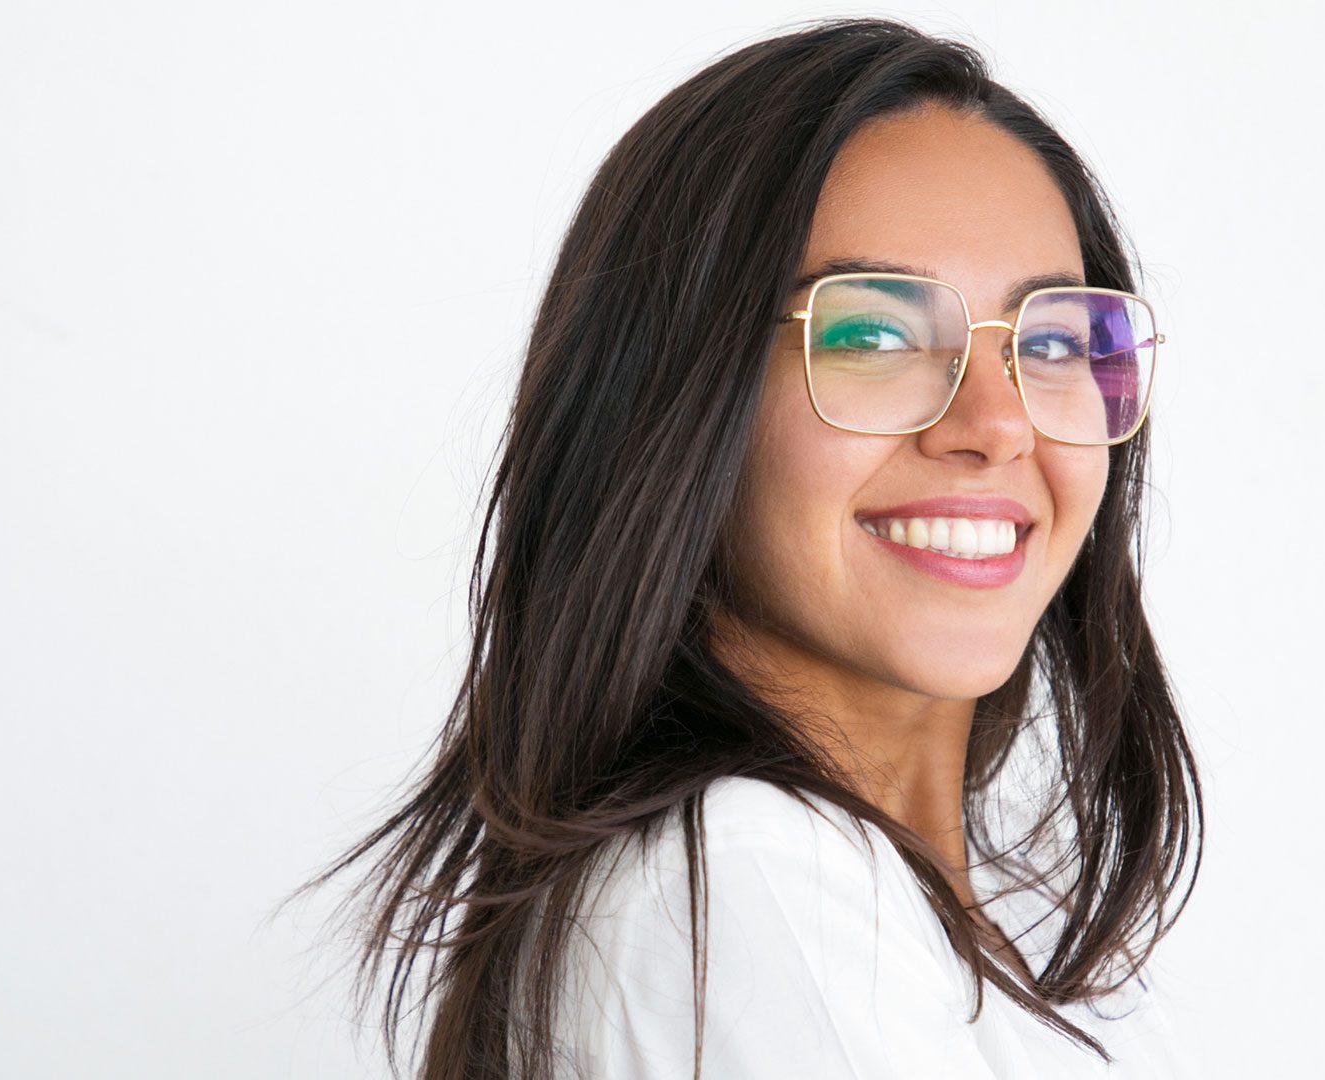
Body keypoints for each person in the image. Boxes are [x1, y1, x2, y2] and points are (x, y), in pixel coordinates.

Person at [289, 16, 1204, 1078]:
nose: (996, 423)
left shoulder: (1026, 923)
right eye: (872, 333)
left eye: (1049, 341)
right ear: (677, 402)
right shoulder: (747, 885)